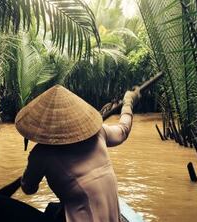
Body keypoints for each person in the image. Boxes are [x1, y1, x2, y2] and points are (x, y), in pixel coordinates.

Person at [15, 85, 139, 222]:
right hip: (113, 218)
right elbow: (123, 129)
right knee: (53, 208)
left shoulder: (40, 154)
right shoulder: (99, 133)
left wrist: (30, 173)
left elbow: (29, 189)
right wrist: (128, 101)